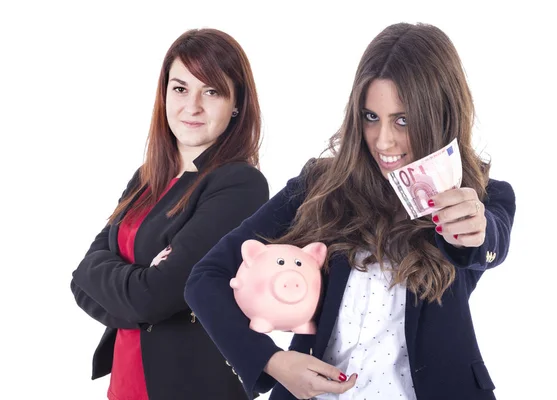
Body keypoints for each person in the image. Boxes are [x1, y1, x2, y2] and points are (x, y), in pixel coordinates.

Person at [184, 22, 516, 400]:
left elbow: (489, 243)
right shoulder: (320, 187)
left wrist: (474, 232)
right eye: (371, 116)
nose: (383, 139)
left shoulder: (484, 198)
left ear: (440, 115)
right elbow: (206, 278)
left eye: (403, 119)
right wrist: (272, 362)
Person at [70, 28, 268, 400]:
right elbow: (81, 278)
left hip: (189, 385)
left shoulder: (240, 185)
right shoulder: (148, 177)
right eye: (180, 89)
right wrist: (141, 287)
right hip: (126, 384)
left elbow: (155, 297)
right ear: (164, 95)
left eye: (211, 91)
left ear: (236, 103)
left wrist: (137, 294)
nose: (192, 106)